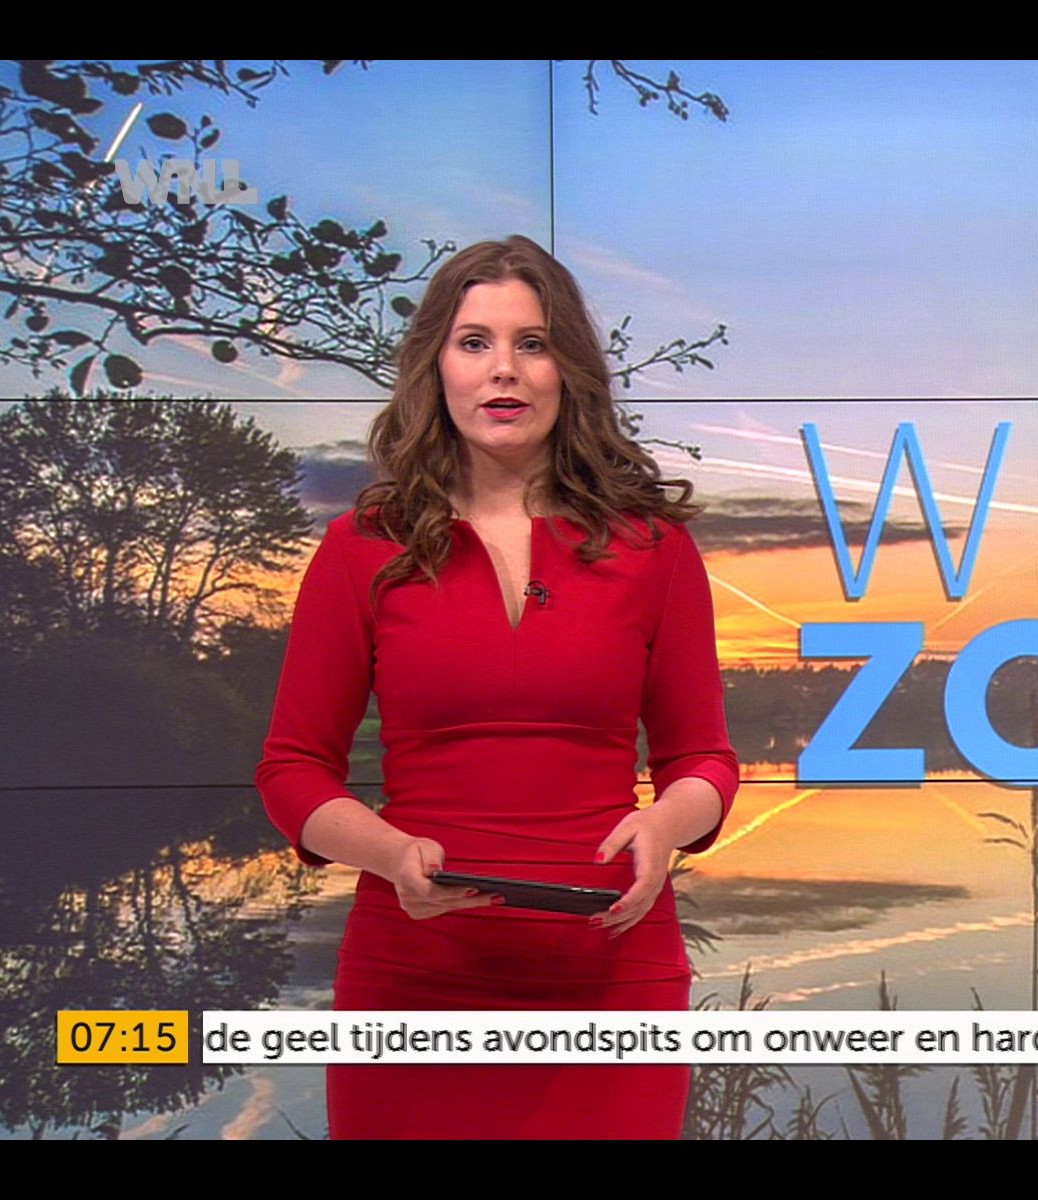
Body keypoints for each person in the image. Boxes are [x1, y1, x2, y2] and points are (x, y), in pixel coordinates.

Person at [255, 234, 738, 1139]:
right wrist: (390, 854)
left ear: (569, 371)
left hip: (612, 977)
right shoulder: (363, 547)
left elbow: (705, 760)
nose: (503, 369)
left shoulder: (653, 549)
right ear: (435, 366)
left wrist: (666, 826)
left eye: (533, 343)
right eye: (474, 342)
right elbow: (292, 771)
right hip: (415, 980)